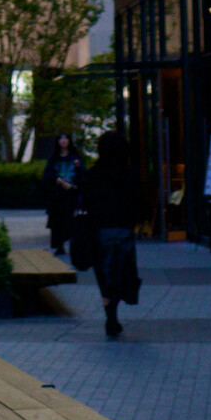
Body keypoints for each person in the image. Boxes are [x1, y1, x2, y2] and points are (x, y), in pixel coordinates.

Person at [81, 125, 140, 338]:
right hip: (123, 228)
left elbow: (86, 200)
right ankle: (114, 310)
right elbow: (137, 200)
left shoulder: (94, 174)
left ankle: (110, 312)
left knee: (105, 272)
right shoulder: (129, 174)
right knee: (121, 271)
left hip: (100, 230)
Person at [41, 131, 82, 256]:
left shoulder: (75, 157)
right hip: (57, 195)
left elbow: (83, 175)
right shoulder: (54, 158)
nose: (63, 141)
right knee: (57, 221)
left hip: (71, 194)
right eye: (61, 139)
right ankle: (59, 245)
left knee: (71, 220)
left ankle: (72, 244)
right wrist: (57, 180)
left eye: (65, 138)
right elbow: (47, 175)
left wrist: (78, 169)